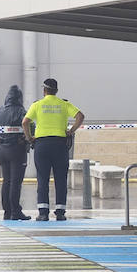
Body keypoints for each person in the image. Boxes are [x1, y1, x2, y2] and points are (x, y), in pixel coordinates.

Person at [22, 78, 83, 222]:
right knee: (61, 179)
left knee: (42, 178)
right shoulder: (64, 104)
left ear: (44, 90)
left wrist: (30, 137)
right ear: (56, 91)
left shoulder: (37, 105)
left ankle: (43, 213)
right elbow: (80, 116)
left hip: (42, 145)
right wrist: (71, 131)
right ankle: (60, 213)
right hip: (60, 145)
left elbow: (25, 122)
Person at [0, 85, 29, 220]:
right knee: (16, 182)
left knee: (6, 181)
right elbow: (29, 124)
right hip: (17, 149)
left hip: (2, 150)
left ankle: (7, 212)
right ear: (19, 98)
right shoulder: (21, 111)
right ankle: (16, 211)